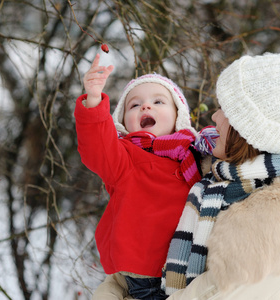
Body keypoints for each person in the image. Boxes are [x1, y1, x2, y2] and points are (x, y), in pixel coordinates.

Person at [91, 41, 280, 300]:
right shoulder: (216, 179)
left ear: (248, 130)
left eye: (225, 110)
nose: (214, 117)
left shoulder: (270, 228)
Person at [74, 54, 217, 300]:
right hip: (146, 276)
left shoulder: (195, 155)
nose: (145, 106)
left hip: (192, 268)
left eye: (158, 101)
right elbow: (96, 146)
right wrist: (94, 100)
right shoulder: (124, 158)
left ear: (178, 116)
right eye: (134, 105)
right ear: (123, 122)